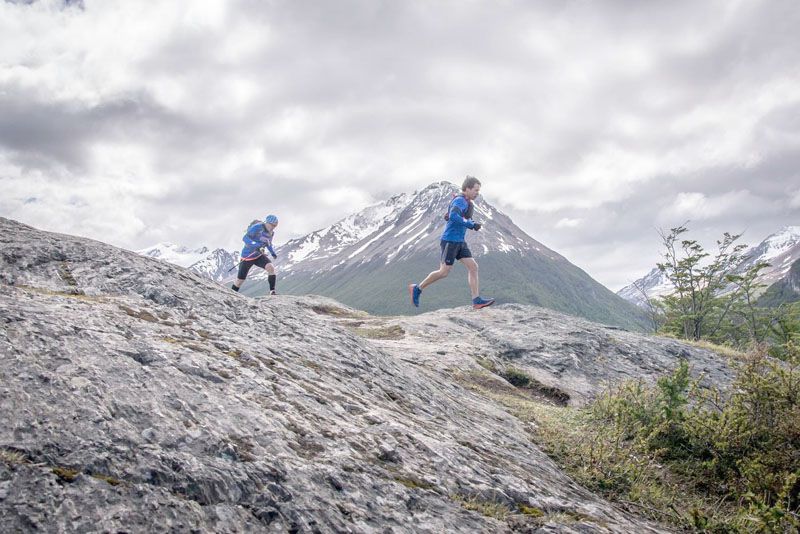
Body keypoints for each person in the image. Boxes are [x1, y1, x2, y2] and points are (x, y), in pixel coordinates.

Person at [409, 176, 495, 310]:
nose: (477, 193)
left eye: (478, 191)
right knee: (444, 272)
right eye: (475, 190)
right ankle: (417, 288)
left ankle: (476, 300)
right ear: (467, 189)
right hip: (450, 241)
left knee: (473, 267)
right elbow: (454, 216)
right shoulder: (460, 200)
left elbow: (455, 215)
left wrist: (469, 223)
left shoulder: (466, 202)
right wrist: (470, 225)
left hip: (460, 241)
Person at [231, 215, 279, 294]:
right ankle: (232, 294)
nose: (273, 227)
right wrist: (256, 245)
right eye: (272, 225)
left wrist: (272, 252)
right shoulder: (257, 227)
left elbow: (268, 243)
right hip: (247, 257)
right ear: (267, 223)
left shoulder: (271, 233)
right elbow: (245, 238)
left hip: (258, 255)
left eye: (275, 226)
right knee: (240, 280)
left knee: (271, 268)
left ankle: (272, 292)